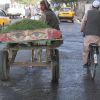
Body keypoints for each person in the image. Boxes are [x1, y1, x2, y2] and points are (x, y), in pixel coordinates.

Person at [81, 0, 100, 68]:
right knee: (97, 44)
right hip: (98, 35)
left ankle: (85, 63)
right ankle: (96, 50)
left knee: (86, 50)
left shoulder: (88, 13)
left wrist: (82, 30)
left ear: (92, 6)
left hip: (88, 35)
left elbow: (83, 22)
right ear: (98, 7)